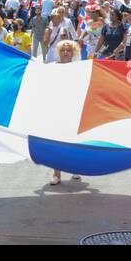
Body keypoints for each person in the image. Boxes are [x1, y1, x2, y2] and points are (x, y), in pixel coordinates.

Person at [47, 40, 85, 186]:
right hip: (56, 110)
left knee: (74, 142)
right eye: (63, 50)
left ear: (73, 52)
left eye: (68, 50)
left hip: (73, 110)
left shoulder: (79, 68)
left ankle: (75, 168)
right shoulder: (51, 67)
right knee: (56, 143)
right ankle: (56, 174)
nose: (65, 53)